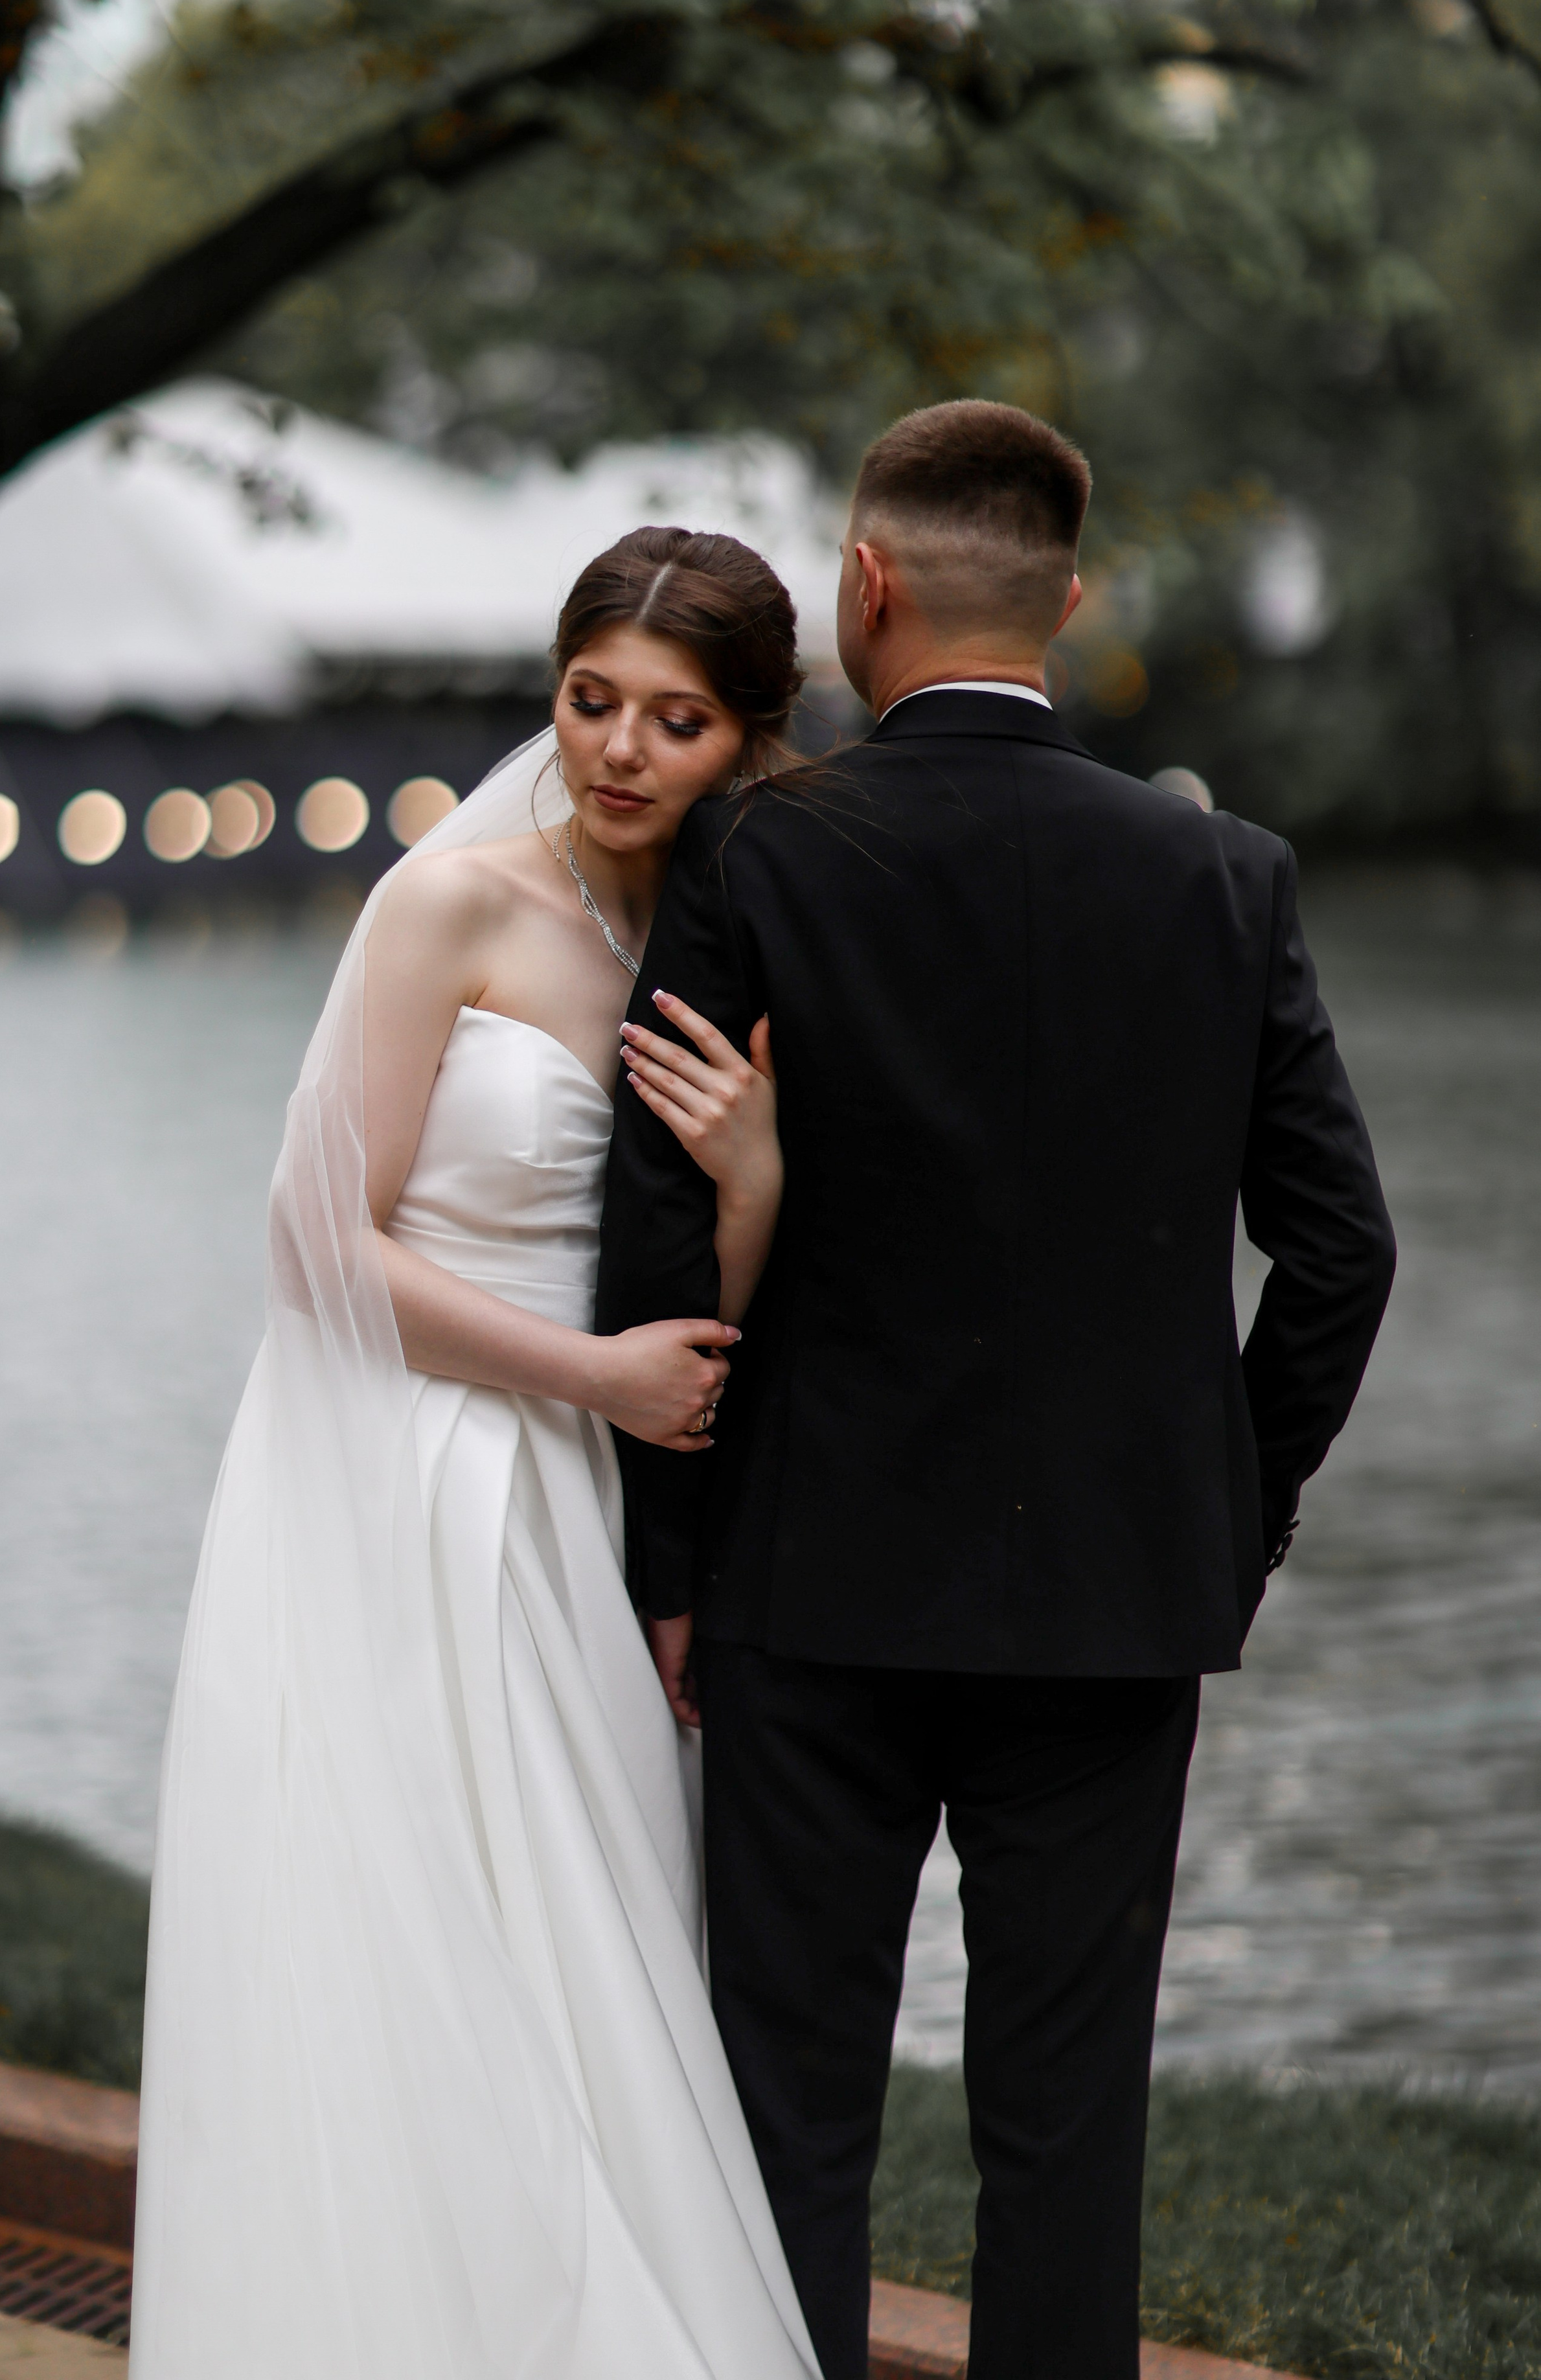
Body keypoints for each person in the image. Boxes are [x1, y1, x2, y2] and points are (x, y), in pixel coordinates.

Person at [598, 400, 1397, 2380]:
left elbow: (663, 1237)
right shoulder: (1226, 874)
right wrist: (1230, 1515)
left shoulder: (754, 848)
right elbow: (1342, 1254)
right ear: (1070, 603)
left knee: (787, 2118)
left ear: (865, 584)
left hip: (807, 1579)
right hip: (1117, 1597)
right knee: (1067, 2133)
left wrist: (667, 1566)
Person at [130, 529, 821, 2380]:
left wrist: (754, 1181)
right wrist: (585, 1377)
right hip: (395, 1461)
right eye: (592, 700)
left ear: (750, 738)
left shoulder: (730, 943)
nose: (619, 750)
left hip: (589, 1495)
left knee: (585, 1930)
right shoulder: (450, 905)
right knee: (399, 1929)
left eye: (676, 721)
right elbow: (313, 1245)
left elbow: (694, 1310)